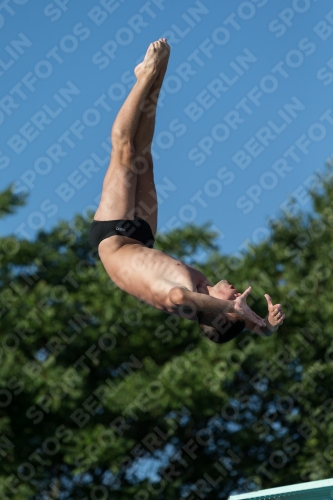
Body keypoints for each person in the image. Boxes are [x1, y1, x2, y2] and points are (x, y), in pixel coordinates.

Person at [90, 39, 285, 344]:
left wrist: (230, 306)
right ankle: (155, 75)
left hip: (113, 238)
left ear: (220, 311)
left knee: (125, 151)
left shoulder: (184, 303)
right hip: (141, 236)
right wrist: (266, 327)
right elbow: (242, 326)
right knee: (144, 154)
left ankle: (144, 77)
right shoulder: (207, 295)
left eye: (235, 301)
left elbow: (181, 295)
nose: (237, 293)